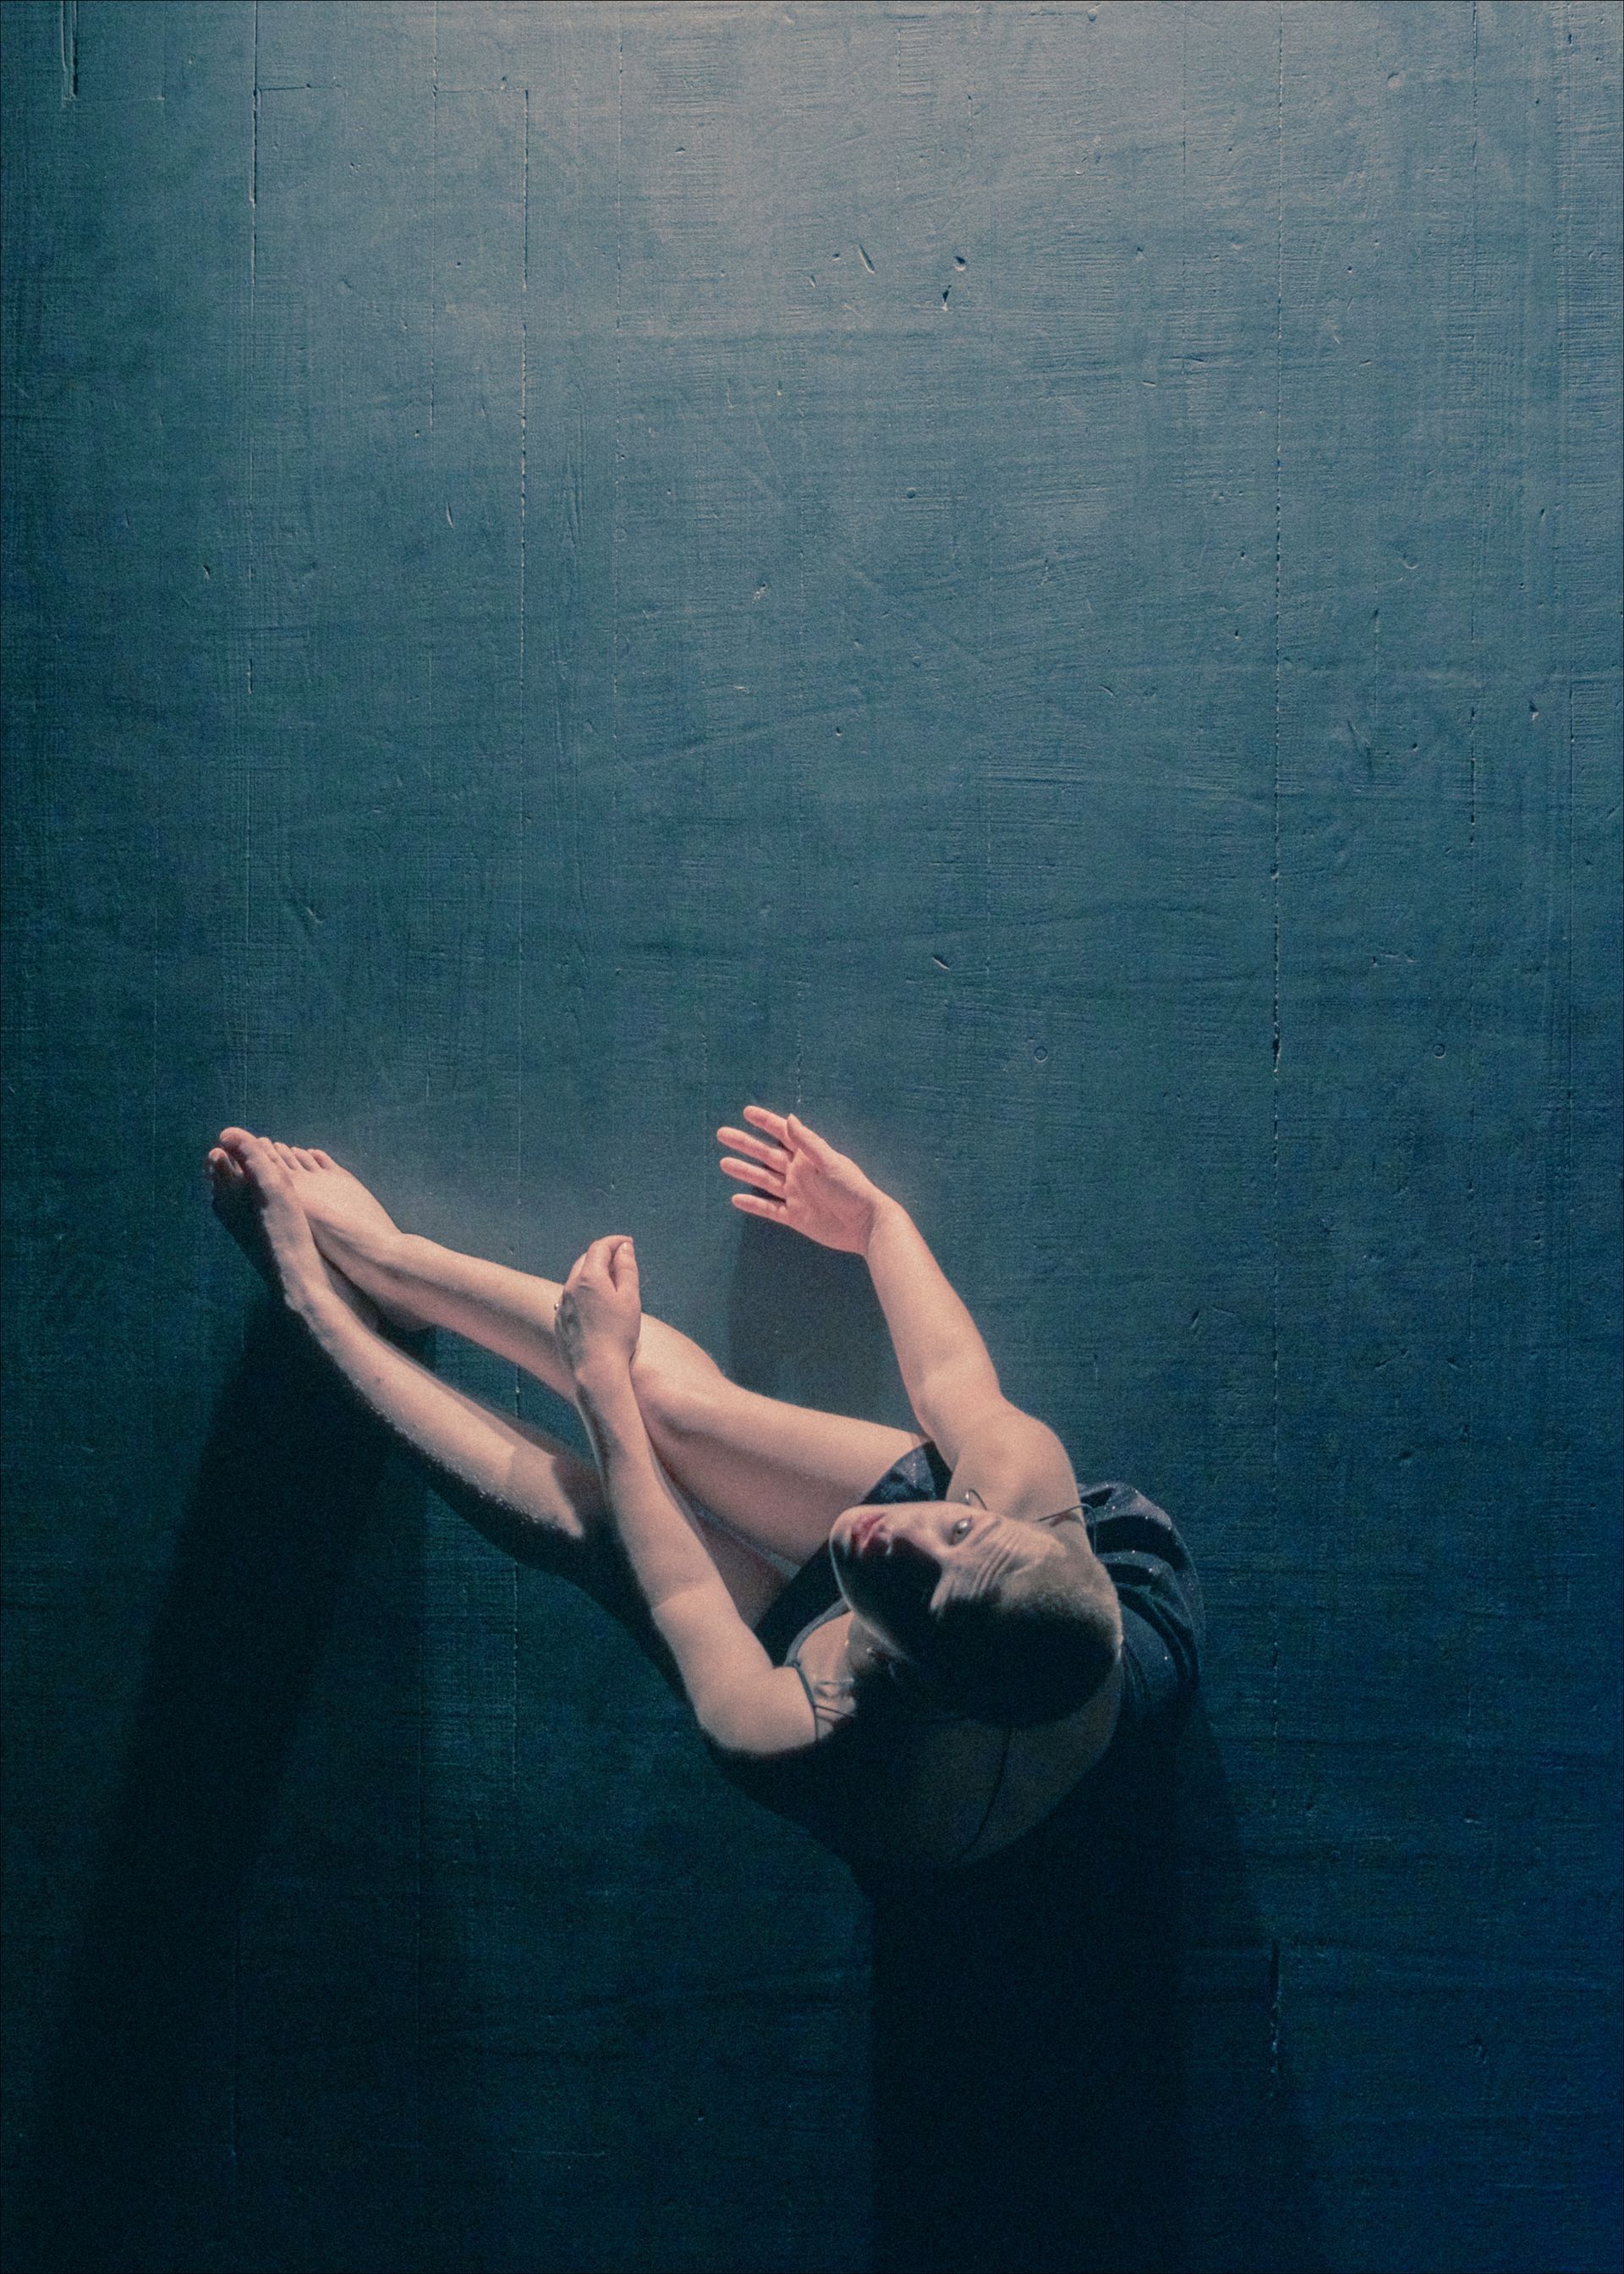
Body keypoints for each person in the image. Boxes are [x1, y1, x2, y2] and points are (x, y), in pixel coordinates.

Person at [206, 1107, 1202, 1878]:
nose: (890, 1536)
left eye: (917, 1587)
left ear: (920, 1680)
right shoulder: (1024, 1489)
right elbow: (953, 1387)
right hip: (1086, 1608)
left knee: (591, 1521)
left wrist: (306, 1293)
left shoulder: (808, 1745)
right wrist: (876, 1223)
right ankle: (389, 1264)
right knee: (673, 1409)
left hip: (941, 1758)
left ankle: (333, 1316)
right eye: (952, 1526)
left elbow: (677, 1590)